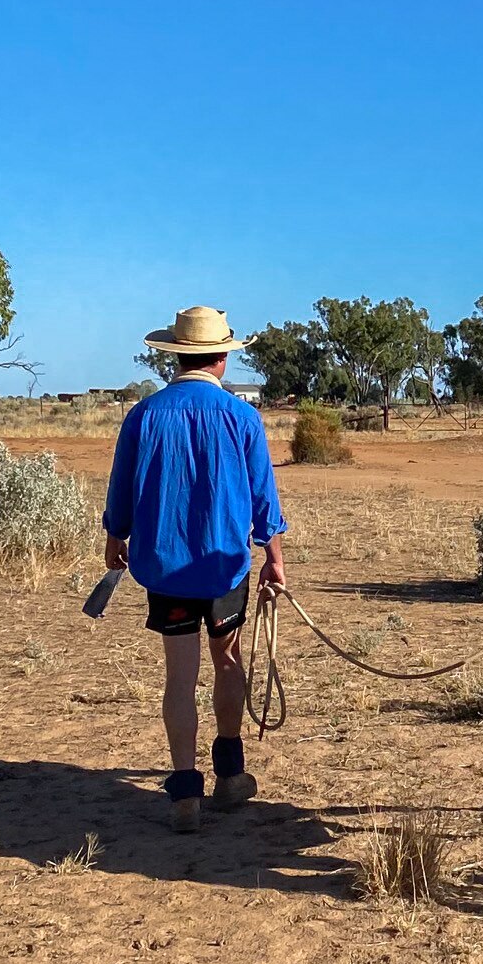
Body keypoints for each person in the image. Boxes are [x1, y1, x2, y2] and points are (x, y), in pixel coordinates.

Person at [101, 304, 288, 833]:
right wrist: (273, 559)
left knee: (179, 677)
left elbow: (122, 487)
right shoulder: (243, 417)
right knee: (227, 661)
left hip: (166, 569)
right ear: (223, 357)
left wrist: (116, 537)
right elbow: (261, 499)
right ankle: (229, 776)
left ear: (174, 357)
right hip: (225, 567)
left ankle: (185, 792)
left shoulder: (144, 415)